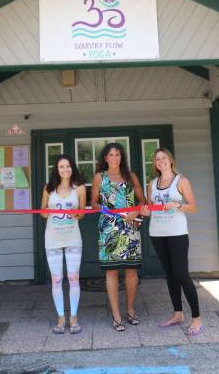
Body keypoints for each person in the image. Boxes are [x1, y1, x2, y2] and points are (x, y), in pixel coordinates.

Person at [141, 147, 203, 336]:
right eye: (157, 159)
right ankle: (178, 314)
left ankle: (197, 318)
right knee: (169, 274)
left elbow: (193, 207)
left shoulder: (181, 181)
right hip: (157, 233)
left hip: (177, 233)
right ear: (155, 163)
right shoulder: (152, 184)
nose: (161, 161)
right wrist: (145, 212)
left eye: (164, 158)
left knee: (181, 273)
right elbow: (151, 209)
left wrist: (179, 205)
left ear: (170, 160)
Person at [91, 142, 146, 332]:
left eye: (118, 154)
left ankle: (130, 308)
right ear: (105, 158)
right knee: (111, 271)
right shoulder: (100, 177)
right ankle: (116, 314)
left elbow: (142, 200)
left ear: (122, 157)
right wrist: (106, 210)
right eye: (111, 155)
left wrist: (136, 210)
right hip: (109, 228)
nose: (115, 158)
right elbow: (93, 202)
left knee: (131, 271)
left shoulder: (131, 177)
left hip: (130, 226)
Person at [41, 154, 86, 334]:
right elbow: (43, 212)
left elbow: (81, 214)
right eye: (61, 167)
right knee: (56, 279)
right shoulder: (48, 188)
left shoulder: (80, 188)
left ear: (72, 168)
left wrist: (76, 213)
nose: (65, 169)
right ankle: (61, 317)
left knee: (73, 278)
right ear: (56, 170)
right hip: (52, 239)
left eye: (68, 166)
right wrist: (49, 211)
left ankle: (73, 317)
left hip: (73, 237)